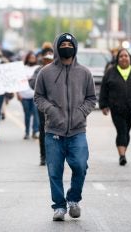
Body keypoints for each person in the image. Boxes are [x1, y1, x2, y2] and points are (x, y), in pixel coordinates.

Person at [34, 33, 96, 221]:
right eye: (63, 44)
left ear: (75, 47)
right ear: (56, 47)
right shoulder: (45, 72)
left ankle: (74, 200)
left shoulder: (85, 72)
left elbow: (91, 98)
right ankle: (59, 206)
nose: (67, 46)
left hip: (77, 130)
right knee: (54, 171)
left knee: (80, 166)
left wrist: (81, 112)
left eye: (70, 44)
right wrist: (51, 110)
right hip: (53, 131)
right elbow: (38, 97)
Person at [99, 48, 131, 166]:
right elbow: (104, 89)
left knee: (126, 132)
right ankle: (122, 155)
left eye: (126, 56)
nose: (124, 58)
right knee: (121, 131)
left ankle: (123, 152)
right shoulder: (111, 72)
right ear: (117, 59)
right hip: (116, 108)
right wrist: (104, 105)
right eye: (121, 56)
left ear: (129, 58)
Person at [29, 46, 54, 165]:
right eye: (47, 56)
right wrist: (43, 72)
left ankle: (54, 155)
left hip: (57, 105)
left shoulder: (59, 69)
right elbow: (32, 83)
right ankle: (43, 156)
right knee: (43, 129)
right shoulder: (39, 70)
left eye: (51, 55)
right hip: (43, 105)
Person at [17, 51, 39, 140]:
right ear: (27, 59)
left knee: (35, 114)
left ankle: (35, 131)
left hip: (35, 96)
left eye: (33, 58)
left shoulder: (38, 68)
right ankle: (26, 132)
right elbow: (18, 81)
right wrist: (18, 93)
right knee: (27, 114)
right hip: (24, 95)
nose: (32, 59)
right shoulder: (23, 68)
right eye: (30, 58)